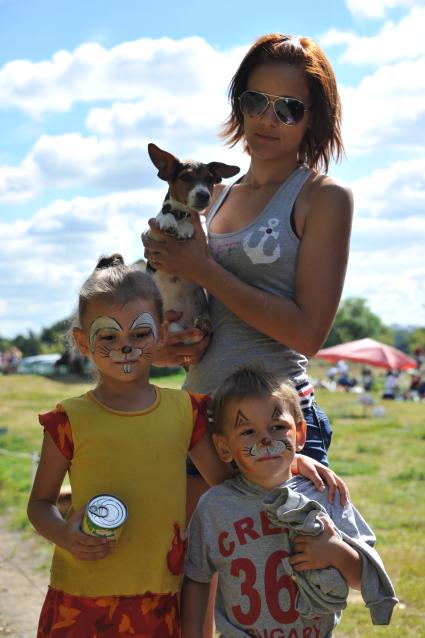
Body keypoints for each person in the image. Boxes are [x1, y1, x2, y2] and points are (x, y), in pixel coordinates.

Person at [143, 33, 353, 469]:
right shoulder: (209, 198)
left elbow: (308, 335)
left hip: (275, 429)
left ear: (315, 118)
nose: (268, 118)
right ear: (239, 104)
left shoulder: (323, 198)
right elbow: (191, 315)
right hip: (199, 426)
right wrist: (164, 346)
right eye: (255, 100)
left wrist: (203, 269)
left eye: (289, 107)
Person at [27, 254, 233, 638]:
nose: (126, 347)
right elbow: (40, 505)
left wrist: (291, 468)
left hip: (159, 600)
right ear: (82, 342)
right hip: (82, 600)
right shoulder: (69, 420)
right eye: (108, 336)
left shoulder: (184, 412)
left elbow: (226, 488)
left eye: (139, 334)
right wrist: (65, 535)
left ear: (161, 332)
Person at [181, 366, 397, 637]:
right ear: (223, 447)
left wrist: (336, 552)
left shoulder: (325, 494)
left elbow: (365, 579)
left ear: (300, 434)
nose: (265, 439)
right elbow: (197, 579)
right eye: (247, 431)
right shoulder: (213, 507)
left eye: (278, 427)